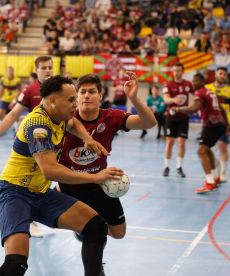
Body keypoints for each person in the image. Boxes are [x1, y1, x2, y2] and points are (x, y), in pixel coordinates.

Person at [0, 75, 124, 276]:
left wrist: (87, 138)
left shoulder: (60, 117)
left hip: (41, 193)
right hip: (15, 193)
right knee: (16, 263)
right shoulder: (37, 126)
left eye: (75, 98)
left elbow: (73, 124)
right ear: (52, 100)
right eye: (71, 99)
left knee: (96, 226)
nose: (76, 103)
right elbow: (50, 170)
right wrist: (96, 177)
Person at [56, 72, 156, 275]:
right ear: (76, 96)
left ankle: (84, 231)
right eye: (82, 92)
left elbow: (149, 123)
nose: (86, 96)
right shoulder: (65, 118)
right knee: (97, 230)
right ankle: (94, 260)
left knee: (119, 233)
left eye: (92, 92)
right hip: (70, 187)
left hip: (99, 185)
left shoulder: (112, 117)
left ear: (101, 95)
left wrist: (134, 98)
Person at [0, 56, 53, 238]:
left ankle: (48, 214)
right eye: (44, 67)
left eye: (50, 67)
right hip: (36, 143)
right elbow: (14, 112)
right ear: (36, 70)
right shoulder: (30, 91)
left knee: (49, 179)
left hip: (56, 141)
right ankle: (31, 222)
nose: (48, 70)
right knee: (33, 181)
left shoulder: (59, 87)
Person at [170, 74, 230, 193]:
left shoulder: (200, 92)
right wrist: (227, 125)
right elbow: (222, 109)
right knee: (207, 150)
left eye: (196, 80)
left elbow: (194, 109)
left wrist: (177, 109)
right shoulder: (210, 92)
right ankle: (215, 178)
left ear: (203, 81)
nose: (194, 83)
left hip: (212, 125)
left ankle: (210, 182)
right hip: (219, 125)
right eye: (193, 81)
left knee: (201, 151)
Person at [205, 67, 230, 183]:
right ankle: (215, 165)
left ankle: (223, 172)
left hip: (224, 123)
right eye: (221, 73)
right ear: (216, 74)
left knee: (222, 146)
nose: (223, 76)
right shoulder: (207, 88)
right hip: (209, 123)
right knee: (205, 149)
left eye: (225, 74)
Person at [162, 63, 194, 177]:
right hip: (171, 117)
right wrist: (175, 99)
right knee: (169, 143)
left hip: (183, 117)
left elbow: (197, 95)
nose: (176, 72)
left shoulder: (188, 84)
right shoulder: (168, 84)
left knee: (181, 143)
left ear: (183, 72)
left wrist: (196, 107)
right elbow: (166, 99)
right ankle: (166, 167)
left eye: (178, 70)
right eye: (174, 70)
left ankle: (179, 167)